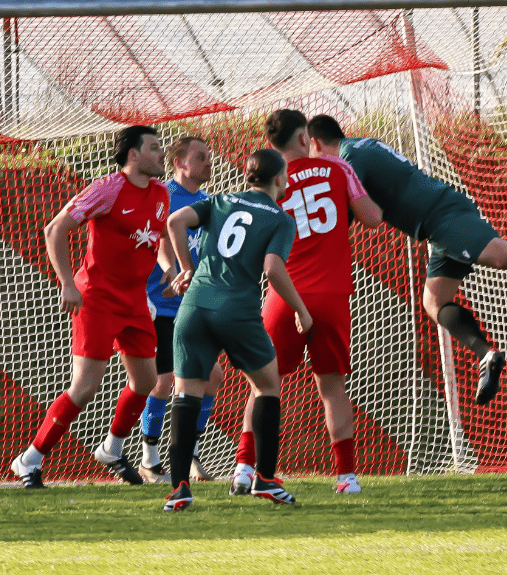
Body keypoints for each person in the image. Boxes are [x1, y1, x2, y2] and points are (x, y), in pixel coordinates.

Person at [305, 113, 507, 406]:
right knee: (434, 302)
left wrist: (313, 239)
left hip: (444, 219)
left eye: (309, 151)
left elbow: (344, 208)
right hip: (439, 223)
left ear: (316, 143)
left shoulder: (347, 159)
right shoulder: (362, 146)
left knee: (503, 256)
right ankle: (486, 354)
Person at [9, 125, 173, 488]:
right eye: (154, 147)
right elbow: (55, 229)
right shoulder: (108, 187)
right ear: (133, 154)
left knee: (147, 381)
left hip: (134, 302)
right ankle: (29, 459)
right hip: (97, 297)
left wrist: (169, 266)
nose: (161, 153)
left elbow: (156, 237)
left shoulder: (161, 193)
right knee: (84, 387)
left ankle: (112, 449)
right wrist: (68, 283)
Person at [229, 109, 382, 497]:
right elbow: (372, 218)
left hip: (282, 294)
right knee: (331, 386)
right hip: (330, 295)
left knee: (264, 386)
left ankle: (245, 469)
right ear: (304, 139)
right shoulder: (335, 169)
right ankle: (346, 477)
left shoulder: (265, 184)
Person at [162, 148, 310, 511]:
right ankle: (266, 478)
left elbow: (175, 221)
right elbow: (273, 269)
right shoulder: (280, 218)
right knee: (267, 385)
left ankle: (178, 487)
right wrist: (301, 309)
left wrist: (187, 268)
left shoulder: (221, 199)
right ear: (279, 179)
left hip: (194, 307)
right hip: (236, 311)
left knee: (185, 394)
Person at [138, 135, 226, 484]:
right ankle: (150, 458)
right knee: (161, 382)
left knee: (212, 378)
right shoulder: (162, 196)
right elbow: (152, 241)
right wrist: (165, 270)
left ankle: (188, 452)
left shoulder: (207, 204)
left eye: (209, 157)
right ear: (178, 161)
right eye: (200, 157)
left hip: (193, 306)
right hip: (159, 305)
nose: (208, 162)